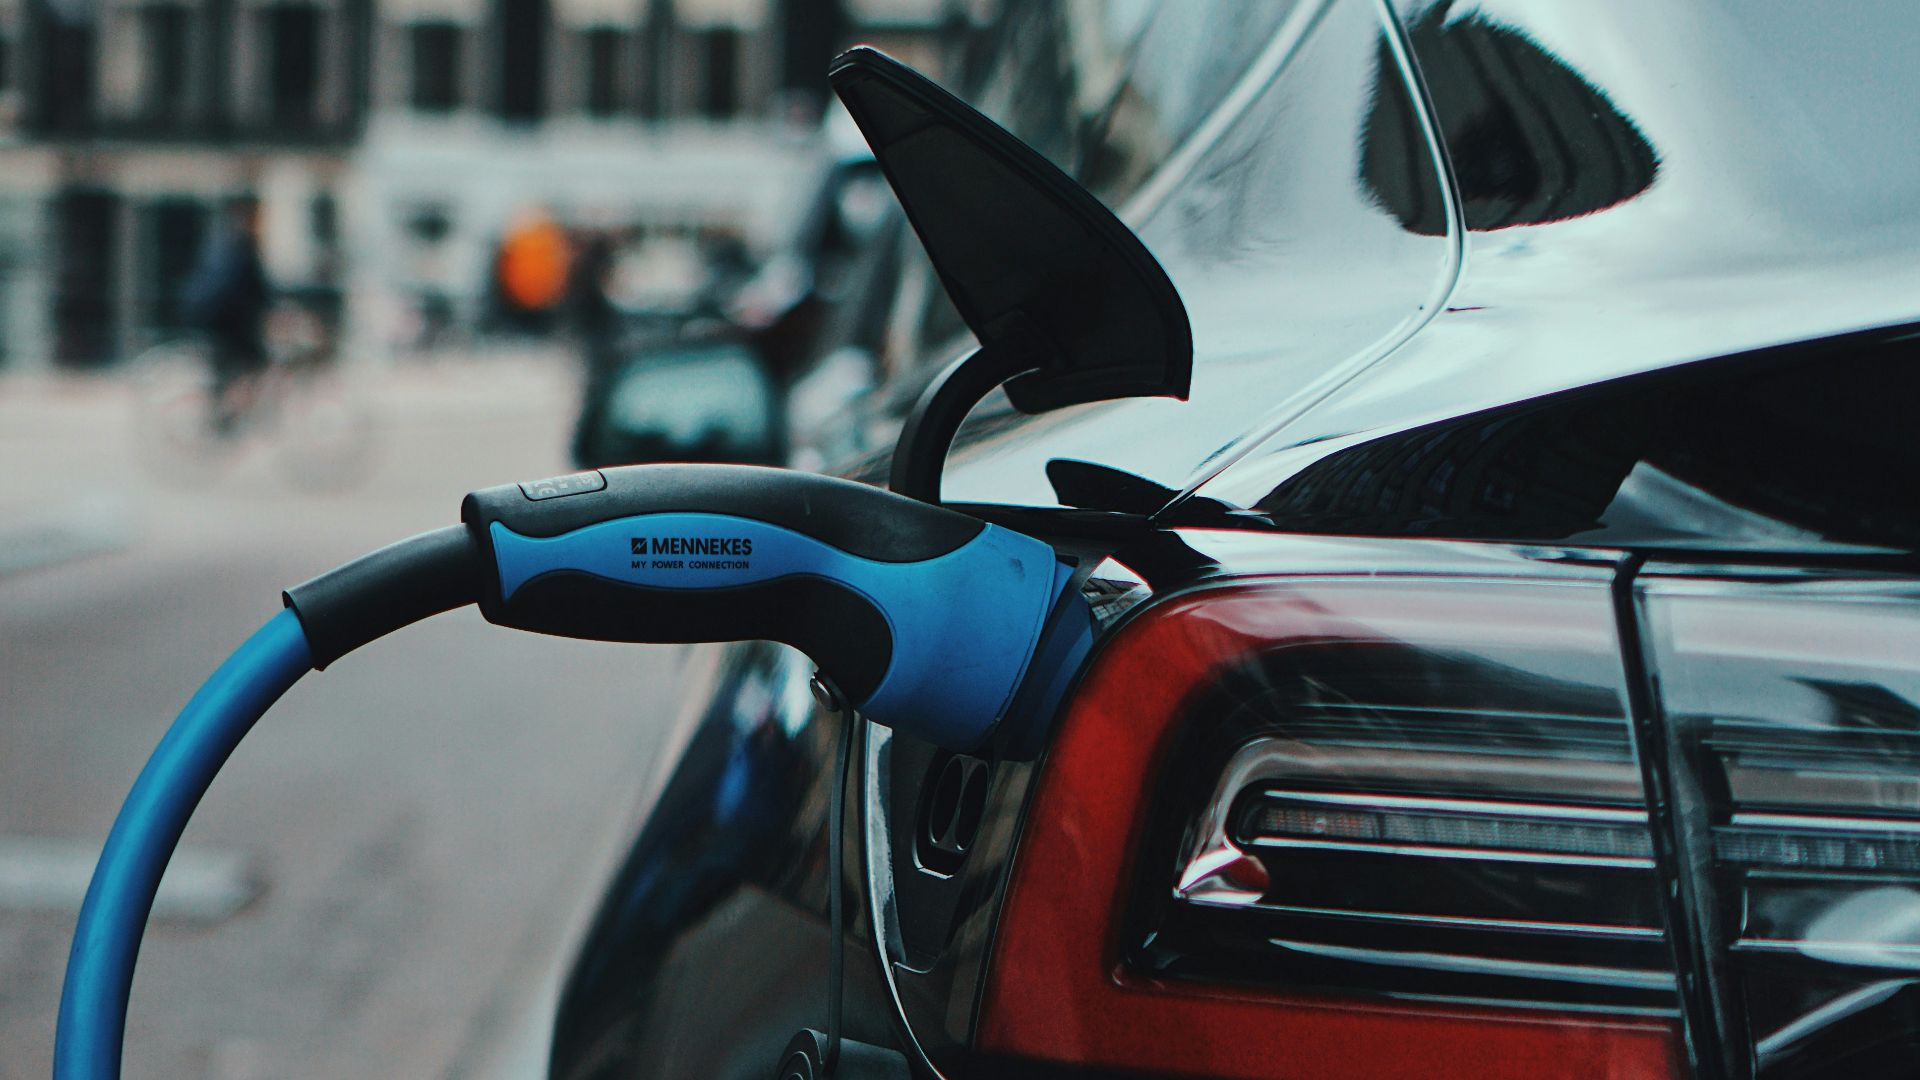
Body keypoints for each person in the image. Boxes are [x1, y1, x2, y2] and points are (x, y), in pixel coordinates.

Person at [182, 197, 272, 434]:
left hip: (218, 319)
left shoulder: (228, 243)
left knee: (229, 368)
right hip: (228, 321)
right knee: (258, 361)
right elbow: (257, 288)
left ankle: (225, 413)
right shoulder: (244, 246)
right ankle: (227, 415)